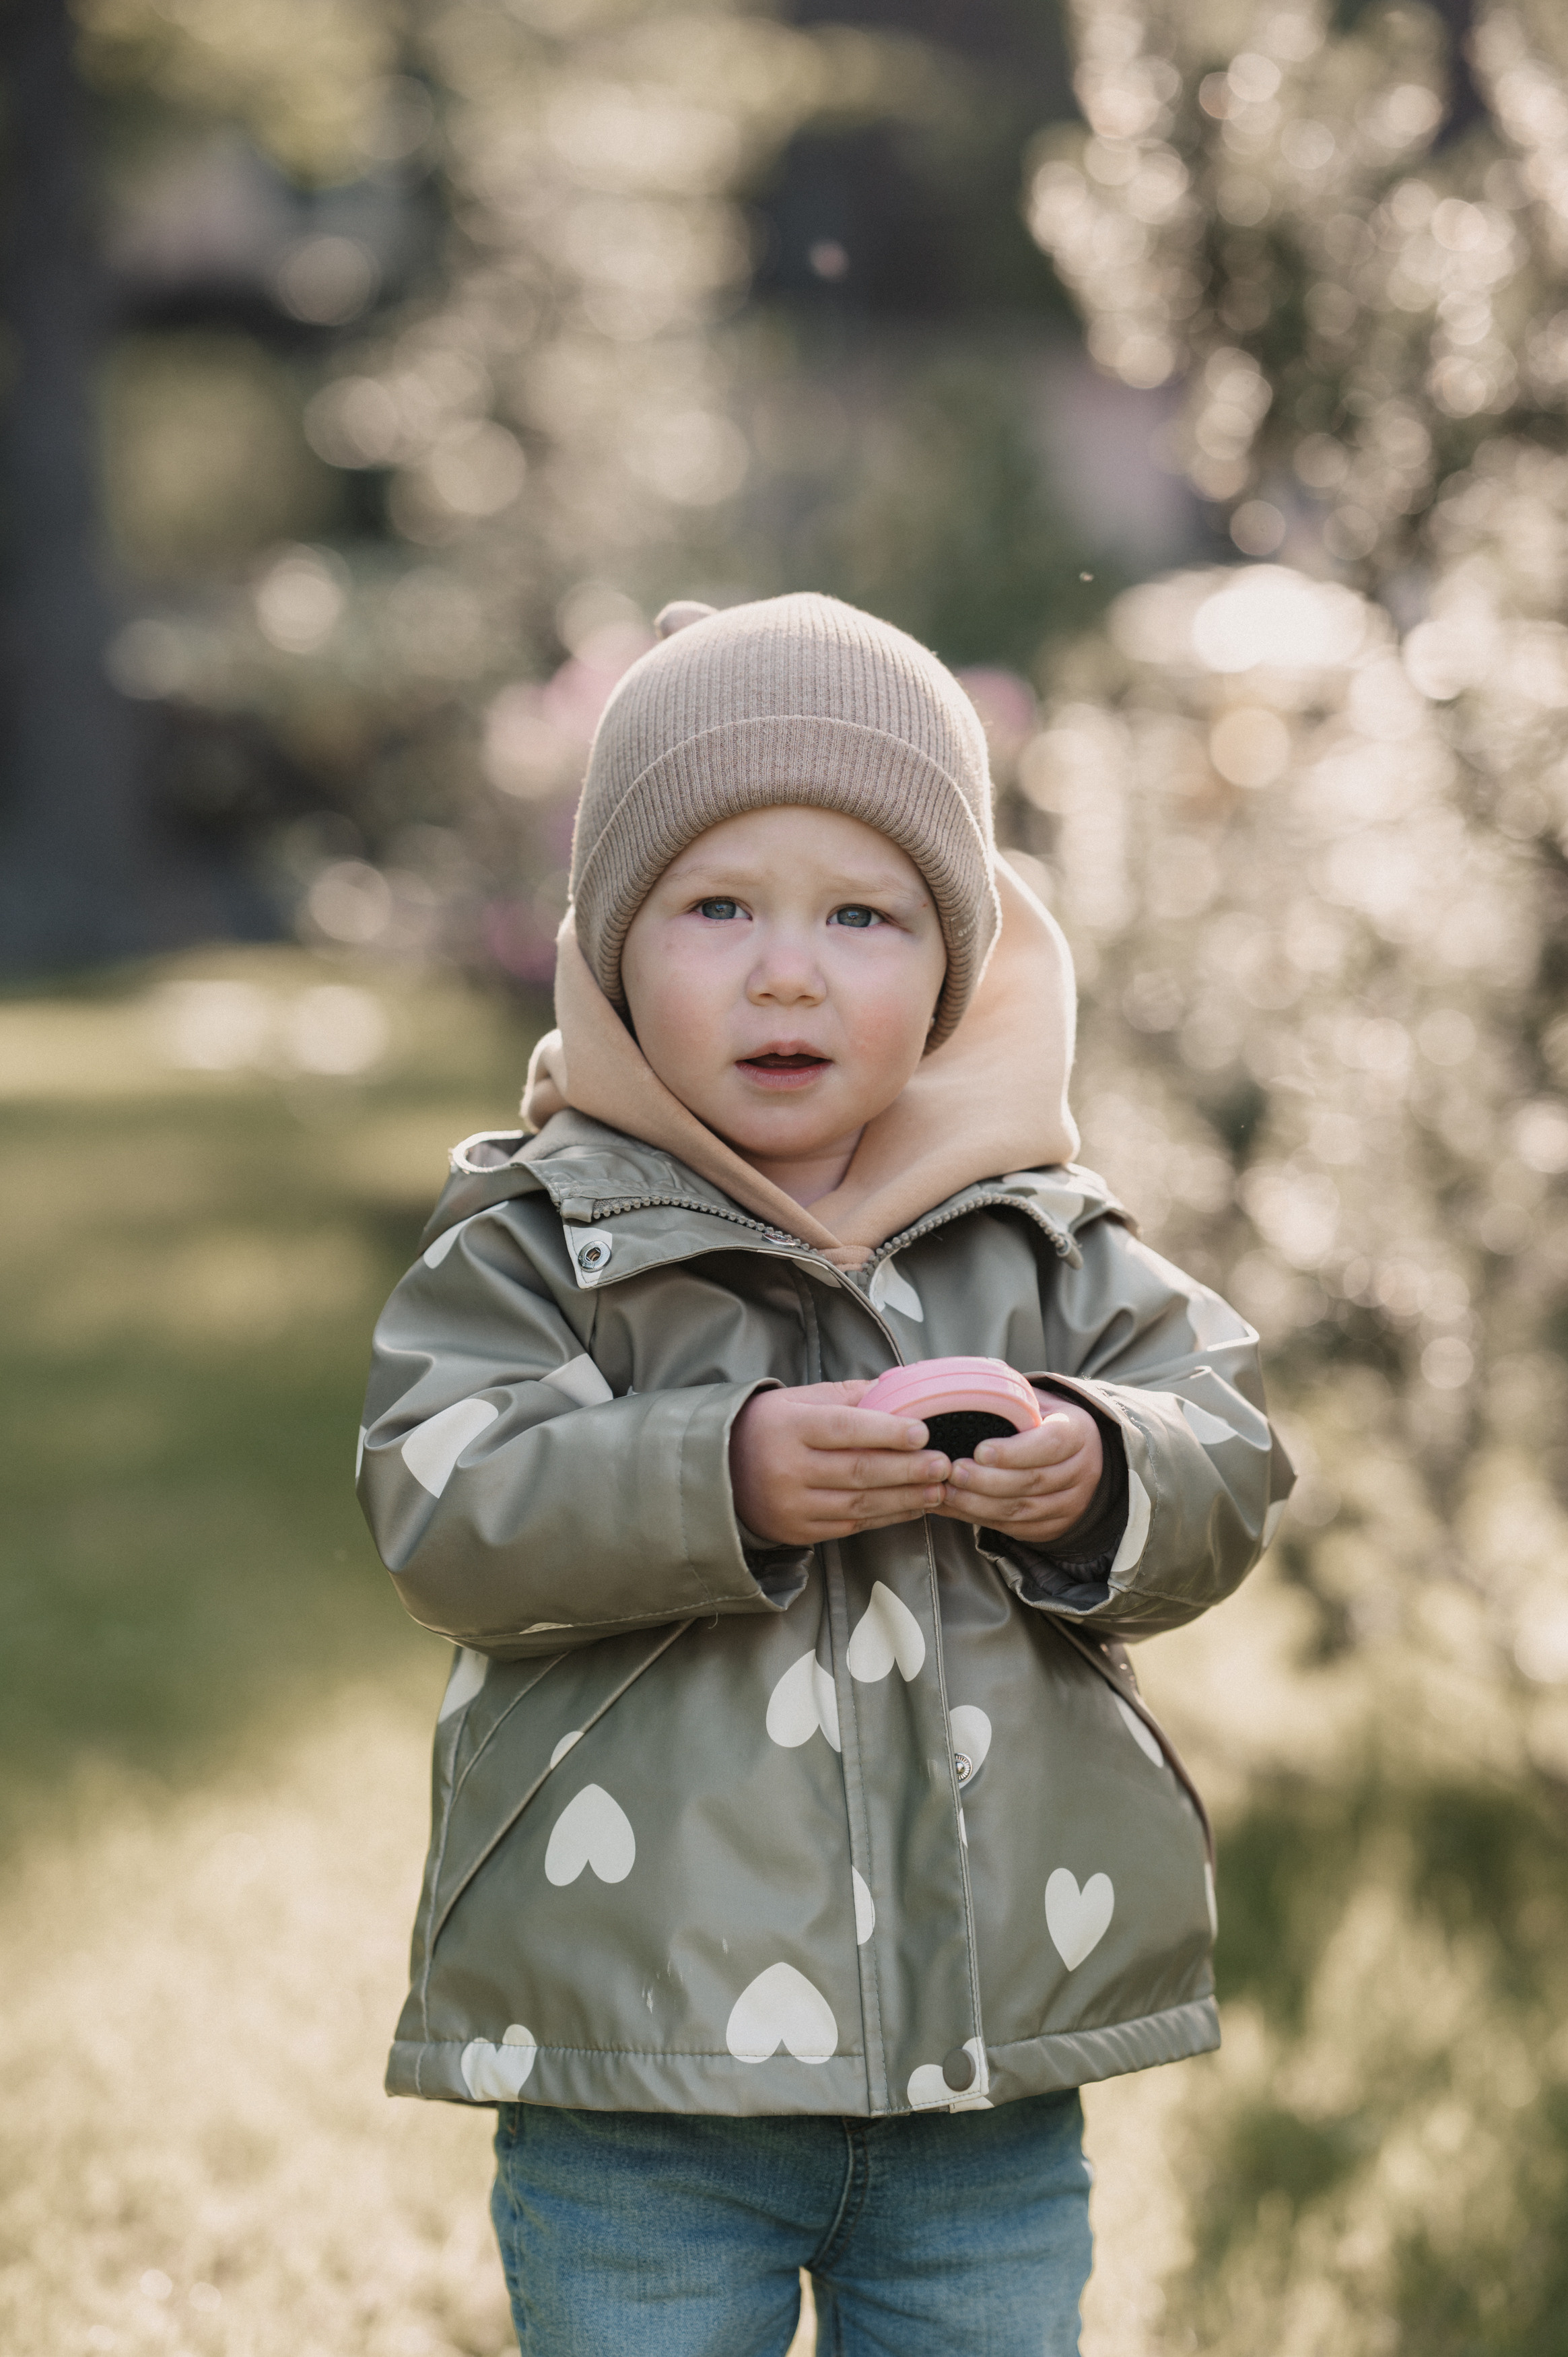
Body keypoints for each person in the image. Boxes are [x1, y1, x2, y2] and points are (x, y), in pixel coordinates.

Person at [357, 593, 1292, 2356]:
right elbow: (441, 1501)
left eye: (862, 914)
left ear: (952, 962)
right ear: (612, 947)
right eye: (718, 907)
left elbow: (1230, 1444)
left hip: (981, 2068)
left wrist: (1098, 1467)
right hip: (642, 2068)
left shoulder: (1043, 1240)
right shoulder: (547, 1242)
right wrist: (714, 1475)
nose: (786, 971)